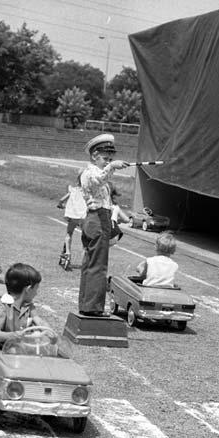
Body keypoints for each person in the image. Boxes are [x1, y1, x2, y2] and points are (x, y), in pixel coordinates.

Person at [78, 134, 129, 316]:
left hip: (100, 218)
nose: (108, 162)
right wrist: (112, 167)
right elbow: (98, 179)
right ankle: (93, 307)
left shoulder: (97, 171)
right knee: (98, 265)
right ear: (94, 156)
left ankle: (87, 304)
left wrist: (110, 167)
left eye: (110, 159)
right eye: (105, 159)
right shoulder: (90, 172)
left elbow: (103, 179)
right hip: (97, 219)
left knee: (91, 263)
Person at [0, 263, 48, 348]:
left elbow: (38, 320)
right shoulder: (3, 307)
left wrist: (48, 330)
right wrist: (12, 335)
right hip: (4, 350)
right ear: (28, 289)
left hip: (23, 350)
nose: (36, 293)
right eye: (36, 289)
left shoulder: (29, 306)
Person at [57, 175, 86, 263]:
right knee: (85, 237)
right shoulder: (87, 191)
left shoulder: (73, 190)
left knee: (69, 233)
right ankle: (85, 257)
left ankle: (68, 252)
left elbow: (61, 200)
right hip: (83, 216)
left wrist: (61, 205)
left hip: (73, 215)